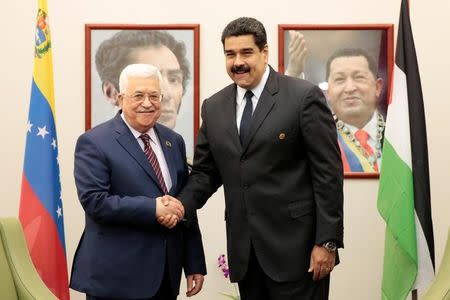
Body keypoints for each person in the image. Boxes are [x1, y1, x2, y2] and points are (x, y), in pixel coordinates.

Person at [167, 17, 344, 300]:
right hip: (246, 256)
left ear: (265, 52)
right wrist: (179, 206)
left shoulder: (302, 97)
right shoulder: (213, 107)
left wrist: (328, 242)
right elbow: (205, 173)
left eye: (246, 52)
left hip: (299, 253)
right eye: (230, 54)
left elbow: (328, 174)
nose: (238, 62)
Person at [70, 64, 206, 300]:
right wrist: (153, 208)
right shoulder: (94, 142)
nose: (147, 103)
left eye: (154, 96)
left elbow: (182, 204)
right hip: (116, 279)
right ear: (121, 98)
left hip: (165, 276)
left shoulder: (173, 141)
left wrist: (194, 262)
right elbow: (95, 202)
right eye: (138, 95)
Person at [95, 30, 190, 129]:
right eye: (149, 80)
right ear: (111, 93)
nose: (166, 95)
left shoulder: (176, 142)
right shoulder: (94, 142)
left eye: (173, 79)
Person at [326, 48, 385, 173]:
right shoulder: (320, 138)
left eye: (359, 77)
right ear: (328, 92)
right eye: (340, 79)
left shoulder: (398, 134)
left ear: (377, 87)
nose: (350, 88)